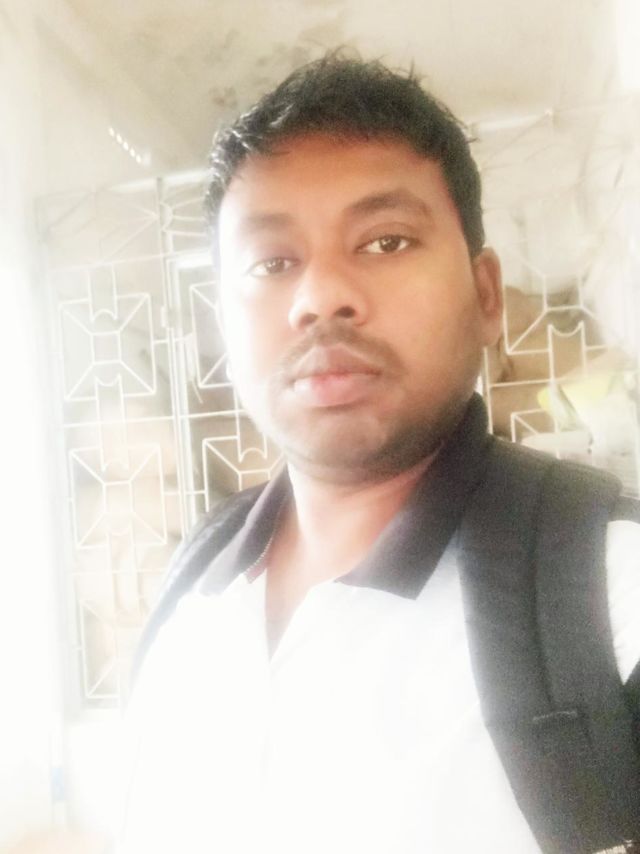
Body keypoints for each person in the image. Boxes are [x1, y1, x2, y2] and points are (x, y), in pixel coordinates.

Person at [118, 54, 640, 854]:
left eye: (386, 241)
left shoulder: (612, 588)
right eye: (271, 263)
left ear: (486, 295)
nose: (320, 297)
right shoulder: (191, 589)